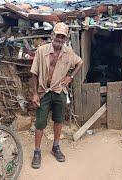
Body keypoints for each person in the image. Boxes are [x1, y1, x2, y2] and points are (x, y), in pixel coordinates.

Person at [30, 22, 83, 169]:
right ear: (52, 35)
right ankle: (37, 151)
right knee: (40, 122)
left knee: (58, 120)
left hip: (59, 92)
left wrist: (70, 77)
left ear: (65, 39)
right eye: (57, 36)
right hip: (44, 92)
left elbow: (80, 62)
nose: (59, 39)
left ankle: (56, 146)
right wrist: (34, 94)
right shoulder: (41, 51)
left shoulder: (68, 53)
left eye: (62, 37)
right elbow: (34, 73)